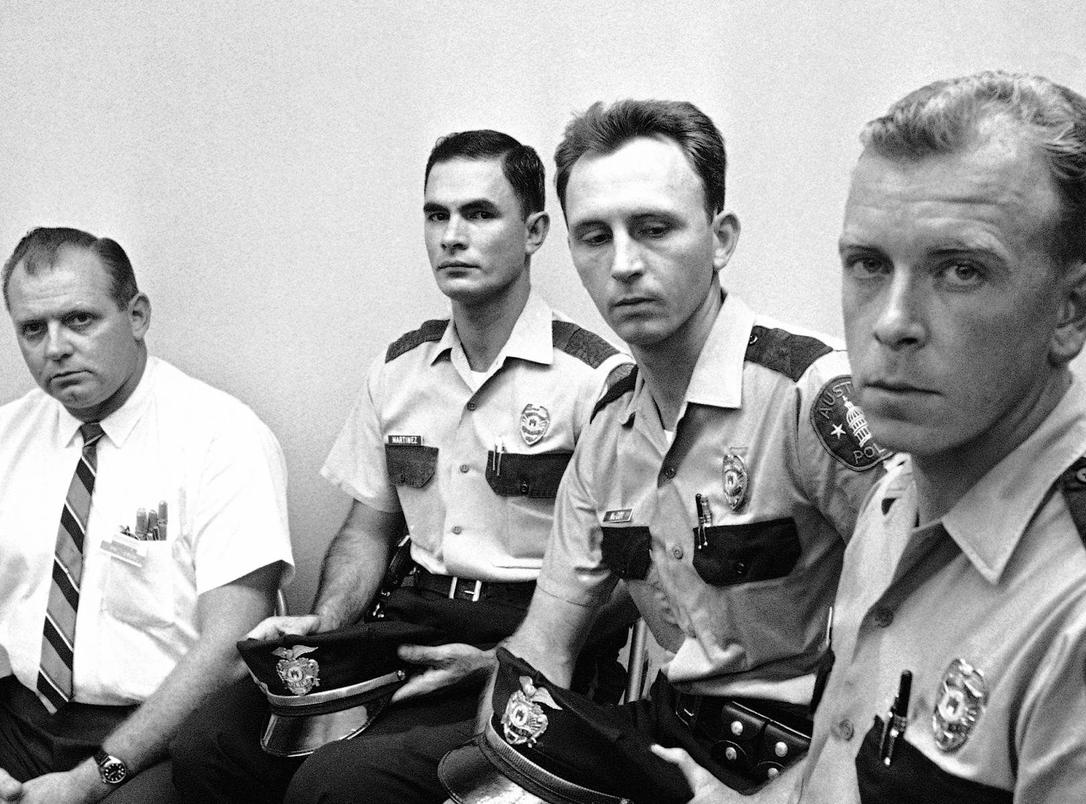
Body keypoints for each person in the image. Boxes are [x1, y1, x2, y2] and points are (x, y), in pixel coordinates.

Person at [170, 129, 632, 803]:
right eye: (436, 214)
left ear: (534, 231)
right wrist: (327, 621)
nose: (452, 235)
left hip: (528, 641)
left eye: (478, 213)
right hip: (406, 627)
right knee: (211, 746)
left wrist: (510, 654)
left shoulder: (594, 380)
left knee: (337, 786)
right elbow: (367, 532)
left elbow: (633, 578)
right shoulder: (399, 372)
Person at [775, 71, 1086, 802]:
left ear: (1072, 311)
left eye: (961, 270)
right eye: (869, 265)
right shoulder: (899, 491)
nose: (891, 322)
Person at [470, 99, 888, 801]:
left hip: (806, 756)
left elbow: (909, 638)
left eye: (654, 229)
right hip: (672, 734)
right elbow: (544, 642)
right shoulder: (606, 433)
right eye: (595, 237)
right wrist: (499, 768)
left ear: (720, 238)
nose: (624, 264)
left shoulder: (809, 398)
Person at [0, 227, 293, 803]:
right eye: (33, 329)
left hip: (159, 735)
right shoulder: (8, 438)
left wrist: (88, 784)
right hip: (24, 716)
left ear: (136, 315)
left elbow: (230, 647)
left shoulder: (221, 438)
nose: (55, 347)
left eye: (80, 320)